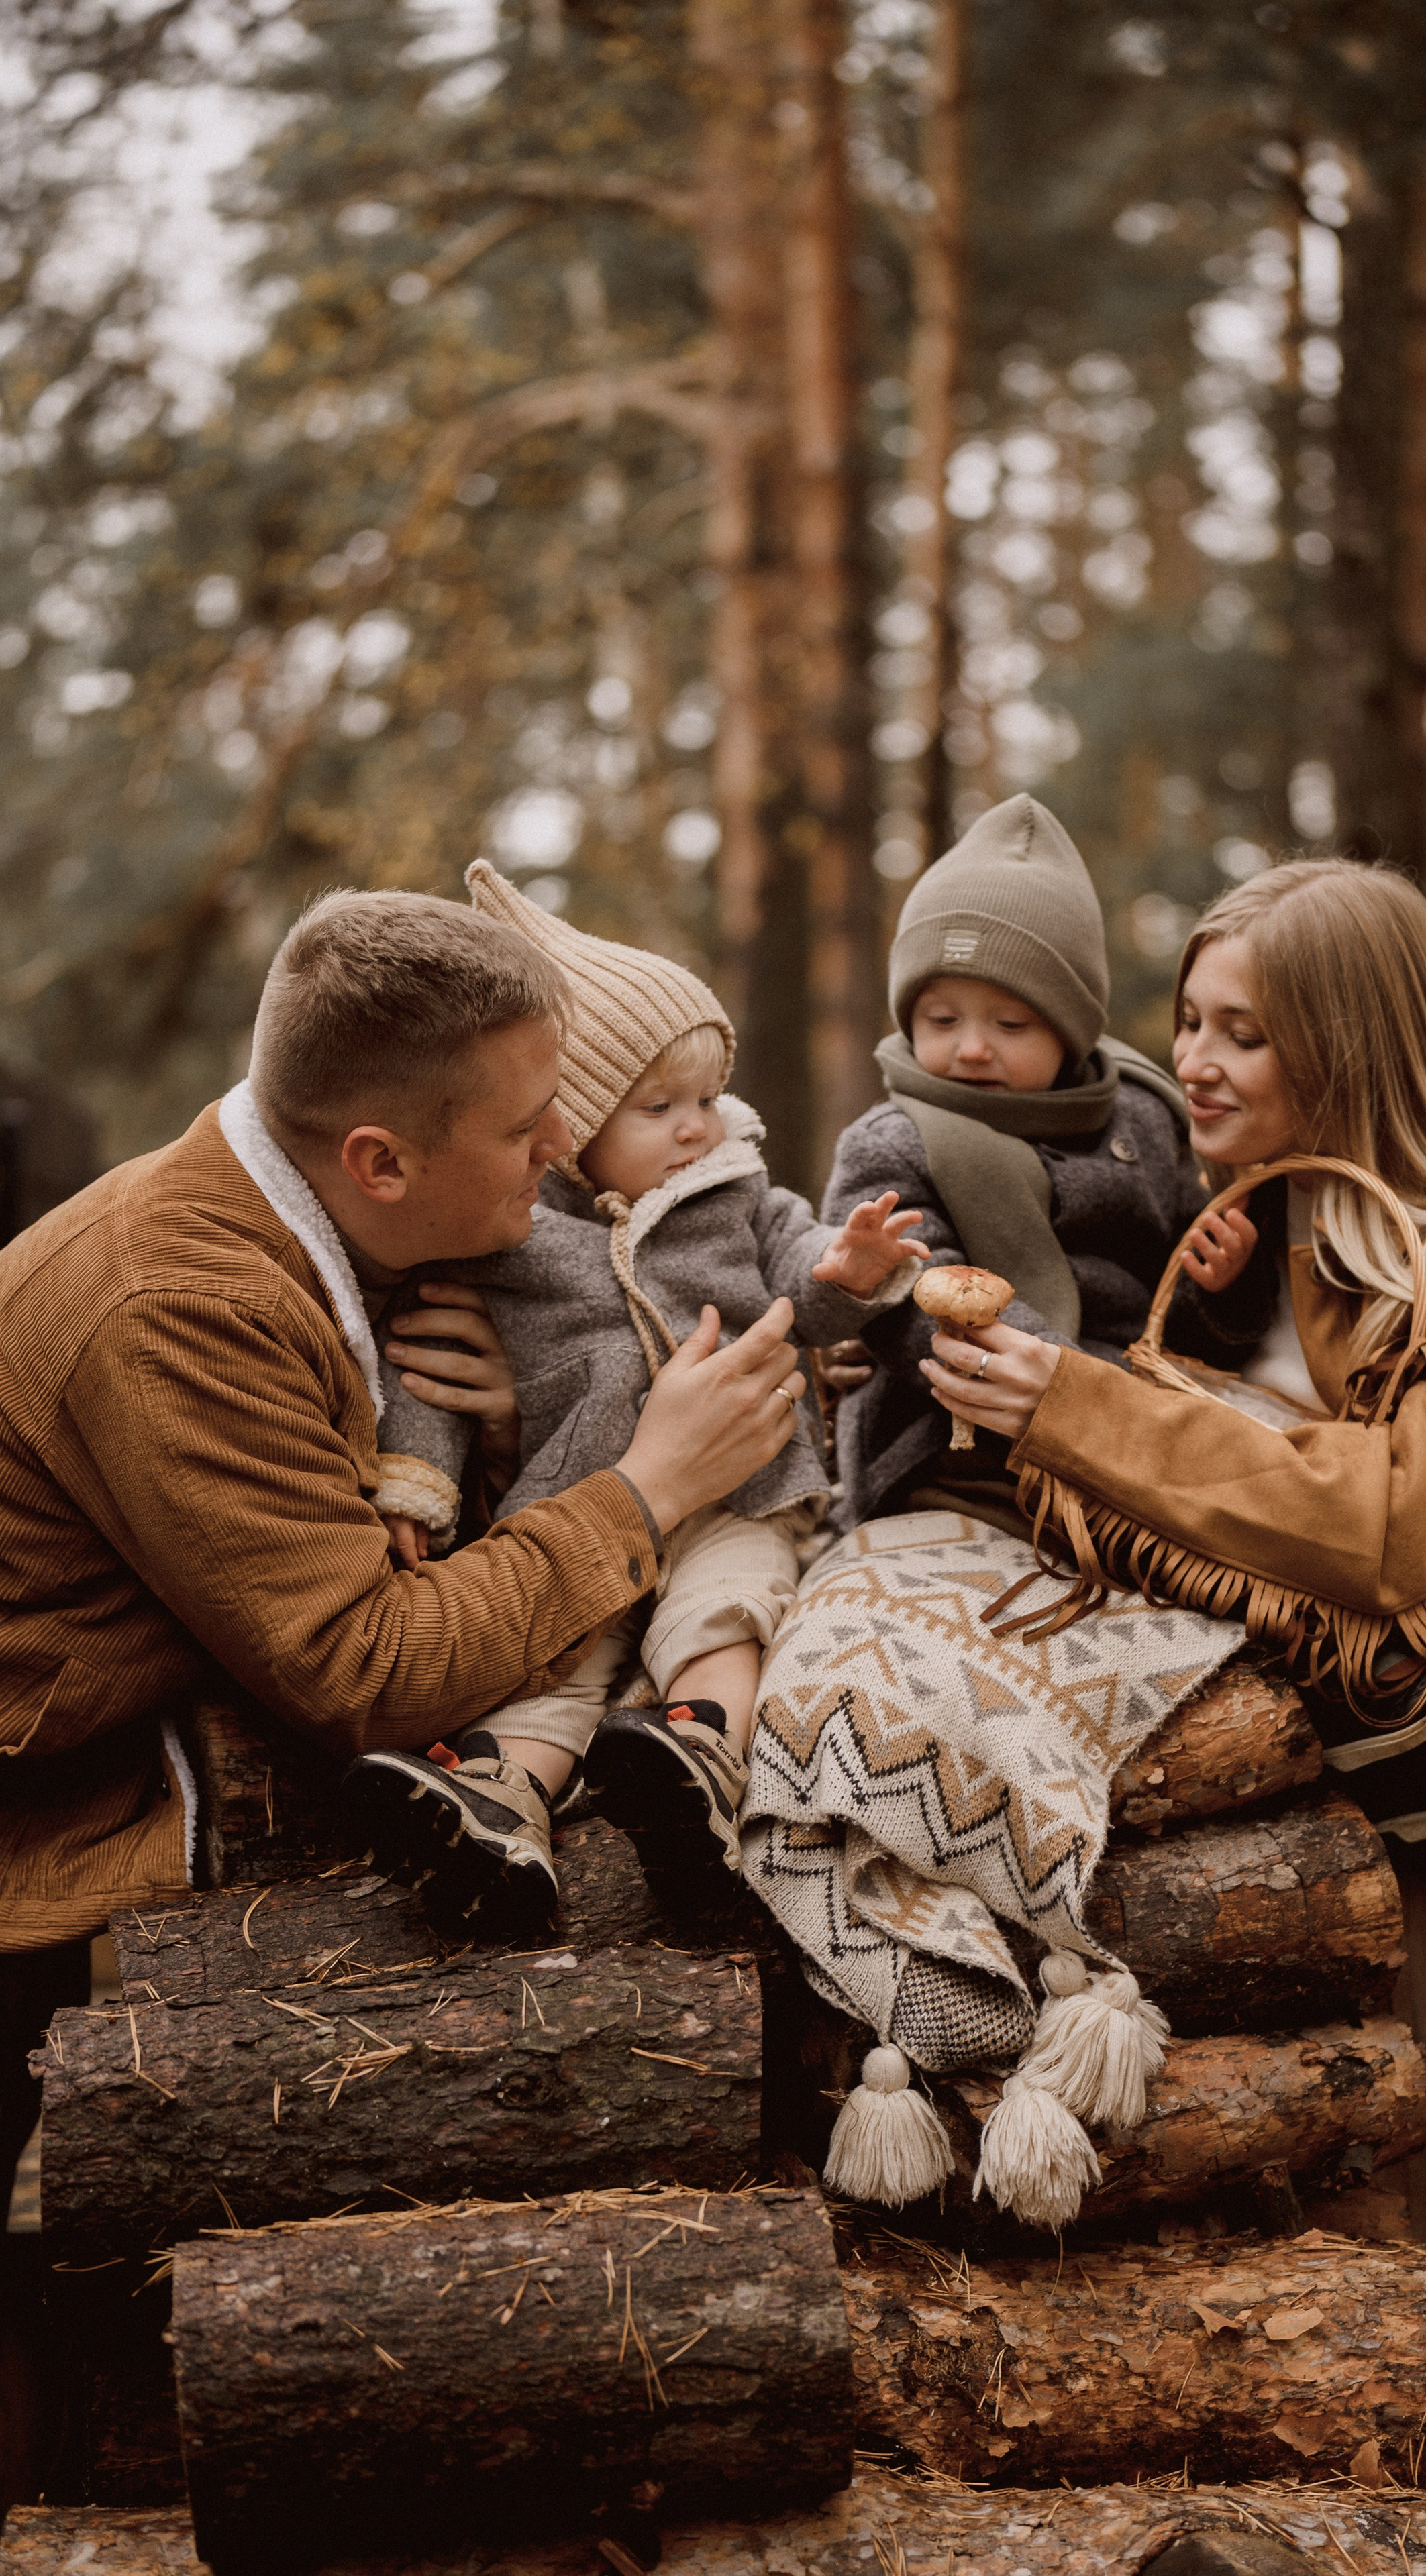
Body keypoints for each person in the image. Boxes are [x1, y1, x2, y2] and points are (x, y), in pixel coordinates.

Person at [914, 857, 1426, 2576]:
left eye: (1244, 1034)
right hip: (1333, 1828)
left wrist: (1080, 1406)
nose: (1195, 1063)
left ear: (1351, 1048)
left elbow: (1395, 1523)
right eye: (1188, 1022)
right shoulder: (1236, 1240)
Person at [0, 888, 808, 2214]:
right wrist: (649, 1487)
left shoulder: (325, 1227)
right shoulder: (178, 1309)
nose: (562, 1146)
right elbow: (368, 1671)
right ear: (378, 1161)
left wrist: (510, 1429)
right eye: (523, 1125)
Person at [343, 862, 925, 1931]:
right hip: (583, 1503)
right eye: (658, 1108)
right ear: (571, 1128)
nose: (696, 1127)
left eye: (705, 1099)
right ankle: (499, 1802)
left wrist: (847, 1272)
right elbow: (425, 1360)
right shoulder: (517, 1230)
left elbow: (799, 1283)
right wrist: (416, 1483)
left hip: (741, 1490)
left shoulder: (734, 1192)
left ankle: (700, 1754)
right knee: (556, 1663)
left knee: (725, 1612)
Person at [819, 793, 1268, 1533]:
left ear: (1070, 1030)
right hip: (954, 1438)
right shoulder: (892, 1144)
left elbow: (1174, 1312)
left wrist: (1220, 1291)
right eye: (942, 1019)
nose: (971, 1048)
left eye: (1011, 1023)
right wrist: (1080, 1391)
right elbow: (917, 1301)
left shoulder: (1143, 1119)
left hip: (1142, 1415)